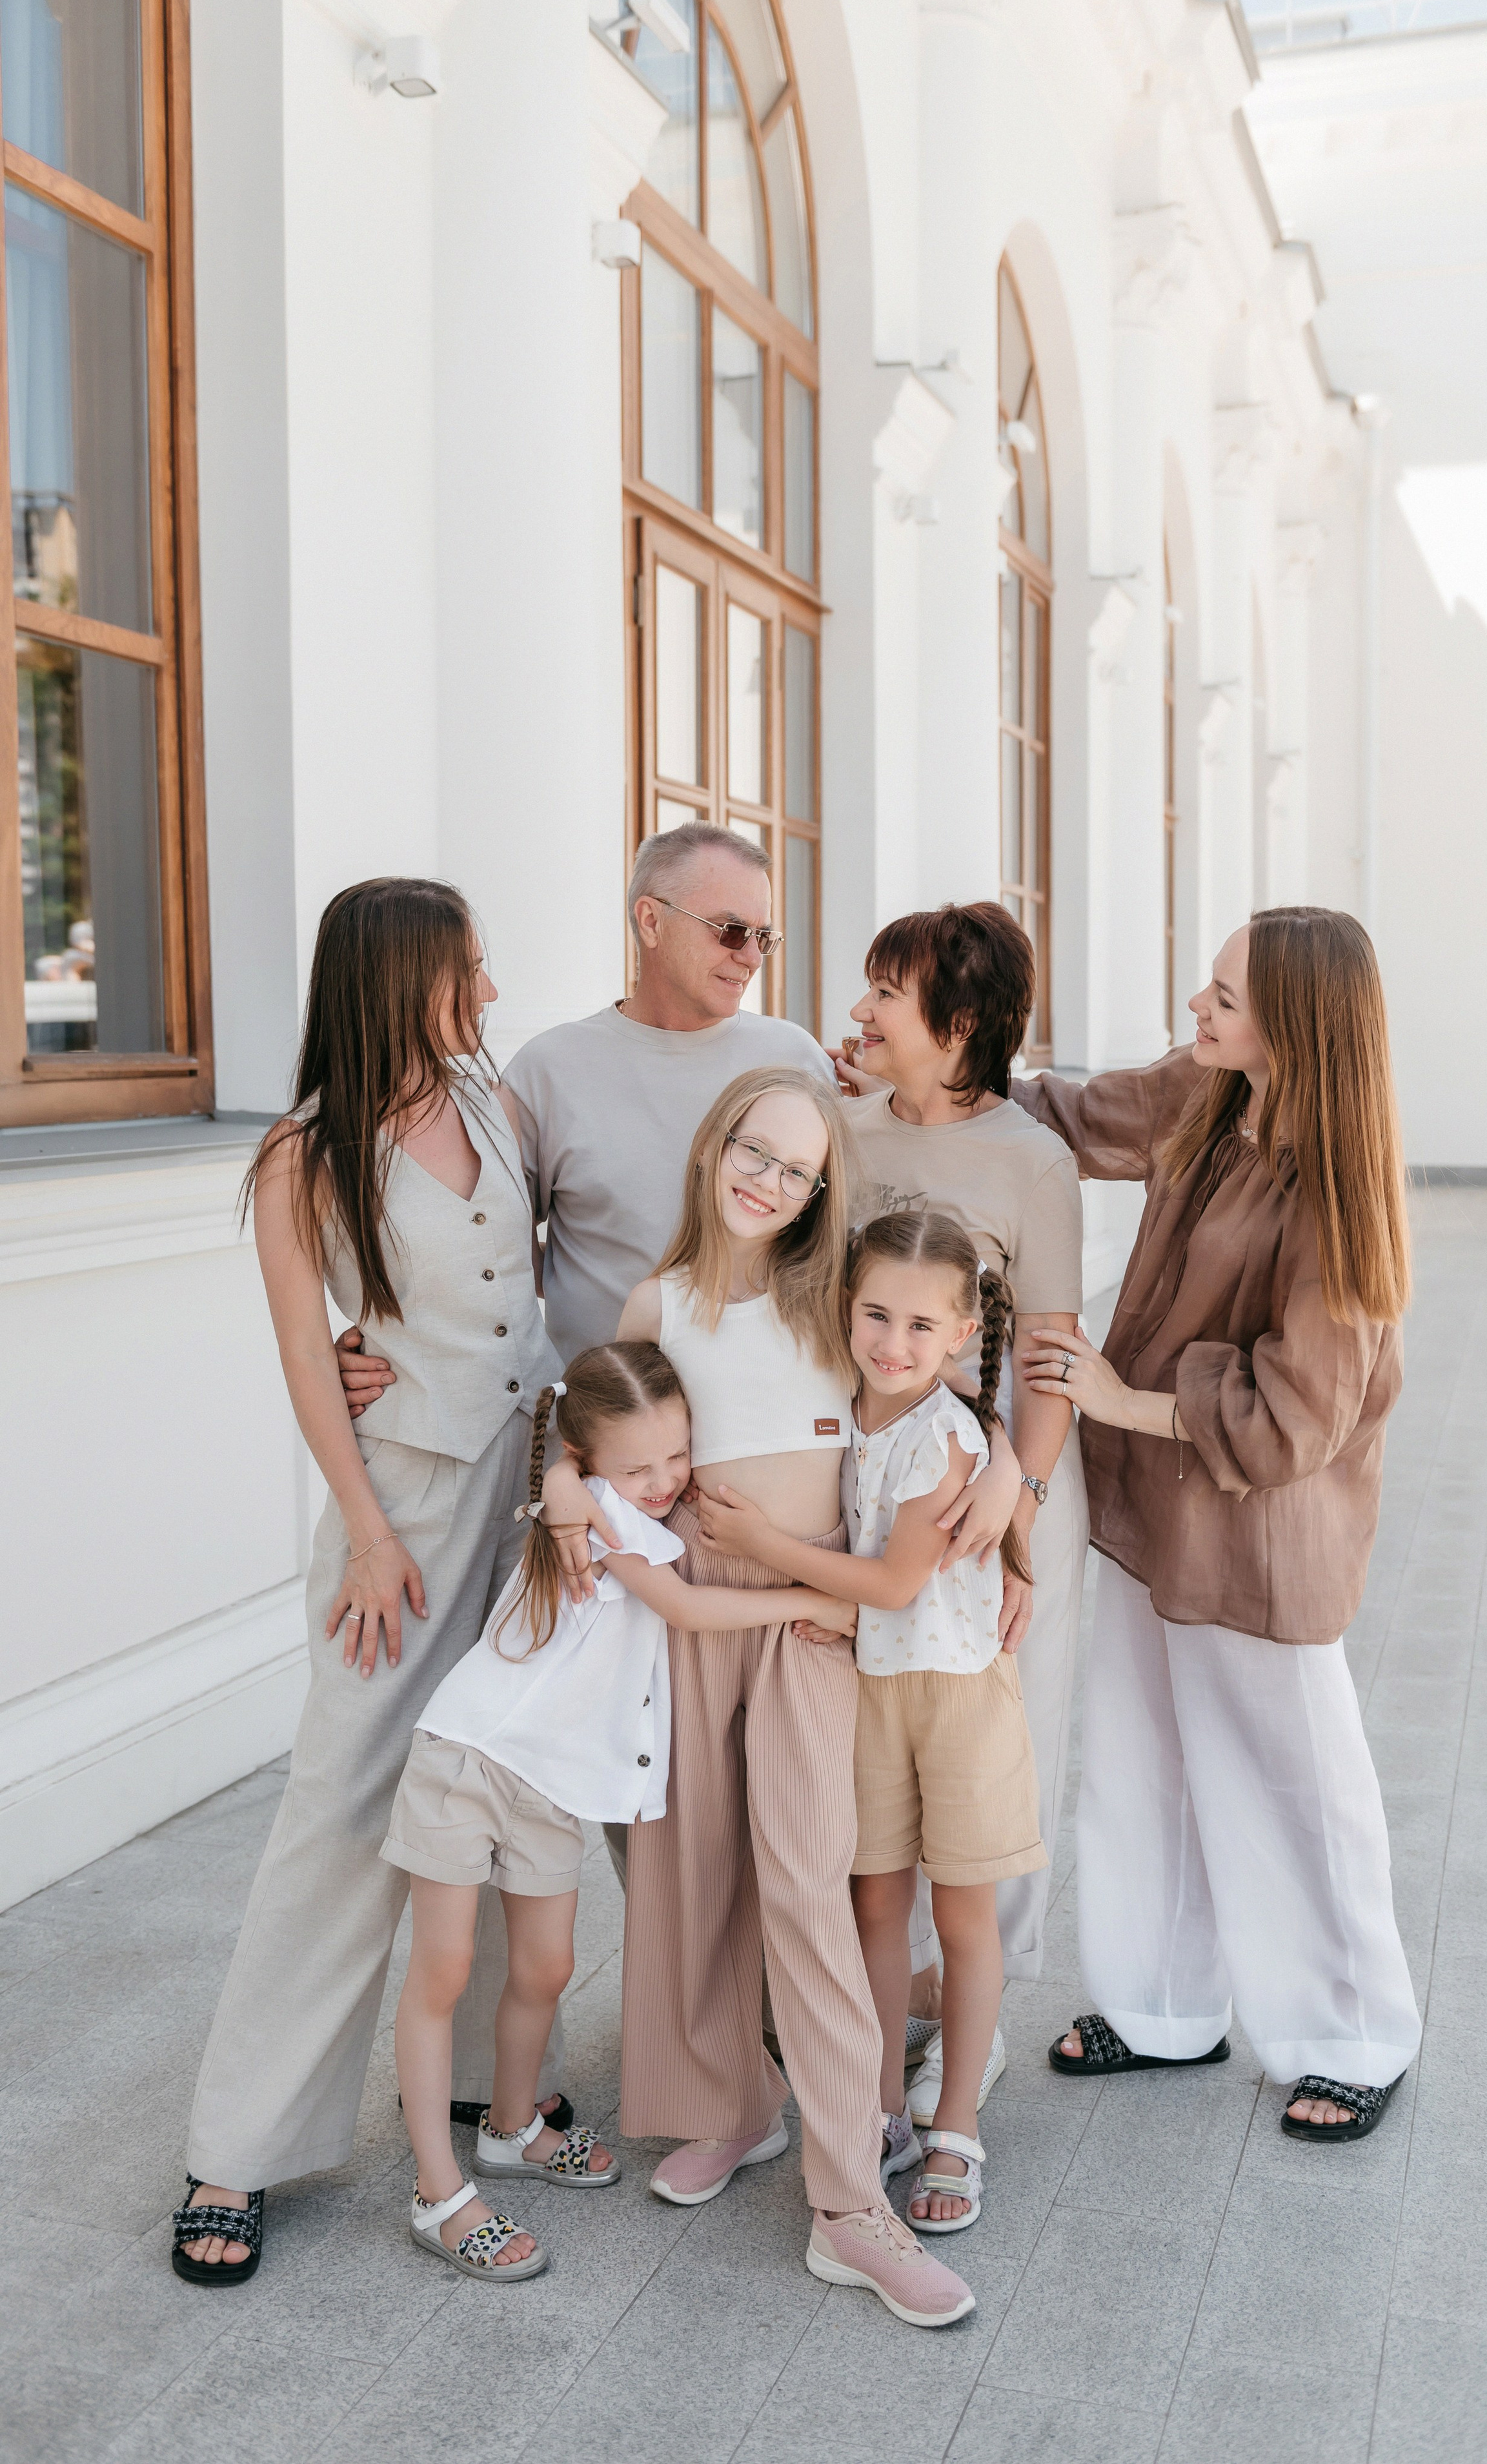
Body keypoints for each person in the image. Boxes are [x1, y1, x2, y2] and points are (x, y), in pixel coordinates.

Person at [337, 826, 1022, 1870]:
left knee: (796, 1810)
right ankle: (689, 2014)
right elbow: (467, 1240)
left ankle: (796, 2018)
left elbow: (906, 1250)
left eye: (766, 933)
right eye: (732, 928)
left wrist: (1003, 1450)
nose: (752, 952)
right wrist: (378, 1329)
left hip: (777, 1494)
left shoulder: (794, 1058)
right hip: (629, 1481)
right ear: (649, 922)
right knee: (650, 1784)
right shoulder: (548, 1070)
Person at [541, 1067, 976, 2327]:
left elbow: (934, 1399)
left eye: (797, 1169)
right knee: (697, 1865)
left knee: (802, 1880)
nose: (768, 1181)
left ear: (819, 1191)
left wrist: (998, 1510)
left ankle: (851, 2206)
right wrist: (570, 1492)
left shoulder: (828, 1304)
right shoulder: (658, 1298)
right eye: (754, 1150)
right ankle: (736, 2106)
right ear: (712, 1143)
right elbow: (583, 1426)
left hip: (809, 1615)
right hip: (693, 1608)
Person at [174, 879, 562, 2285]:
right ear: (403, 979)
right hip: (397, 1505)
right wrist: (369, 1531)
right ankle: (238, 2145)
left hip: (528, 1487)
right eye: (470, 968)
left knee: (501, 1780)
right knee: (339, 1806)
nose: (492, 990)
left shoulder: (500, 1105)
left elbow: (525, 1281)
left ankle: (477, 2082)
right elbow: (302, 1356)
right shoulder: (299, 1155)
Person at [1016, 906, 1422, 2140]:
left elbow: (1298, 1416)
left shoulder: (1338, 1191)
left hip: (1259, 1534)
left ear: (1294, 1023)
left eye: (1225, 997)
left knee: (1294, 1781)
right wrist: (927, 1067)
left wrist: (1115, 1396)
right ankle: (1155, 2008)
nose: (1198, 1009)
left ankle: (1353, 2031)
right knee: (1142, 1756)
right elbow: (1077, 1118)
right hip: (1155, 1507)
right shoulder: (1210, 1094)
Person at [386, 1343, 856, 2280]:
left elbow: (602, 1481)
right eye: (639, 1467)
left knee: (547, 1966)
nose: (664, 1480)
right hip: (471, 1760)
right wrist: (823, 1596)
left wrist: (569, 1471)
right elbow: (682, 1610)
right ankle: (437, 2192)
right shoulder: (601, 1513)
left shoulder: (610, 1496)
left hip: (554, 1786)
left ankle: (513, 2127)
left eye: (677, 1457)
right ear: (594, 1463)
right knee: (441, 1973)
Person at [698, 1207, 1043, 2239]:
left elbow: (896, 1584)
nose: (894, 1346)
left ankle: (958, 2121)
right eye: (875, 1316)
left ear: (960, 1333)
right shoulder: (846, 1404)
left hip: (957, 1694)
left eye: (921, 1329)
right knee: (874, 1905)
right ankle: (883, 2105)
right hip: (869, 1692)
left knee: (964, 1916)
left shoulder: (945, 1439)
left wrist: (768, 1546)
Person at [834, 901, 1087, 2119]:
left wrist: (1015, 1493)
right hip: (862, 1492)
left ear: (964, 1023)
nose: (865, 1009)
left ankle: (967, 2039)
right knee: (874, 1797)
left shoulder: (1030, 1158)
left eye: (891, 991)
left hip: (989, 1494)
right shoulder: (839, 1126)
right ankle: (878, 2043)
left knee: (989, 1773)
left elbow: (1049, 1349)